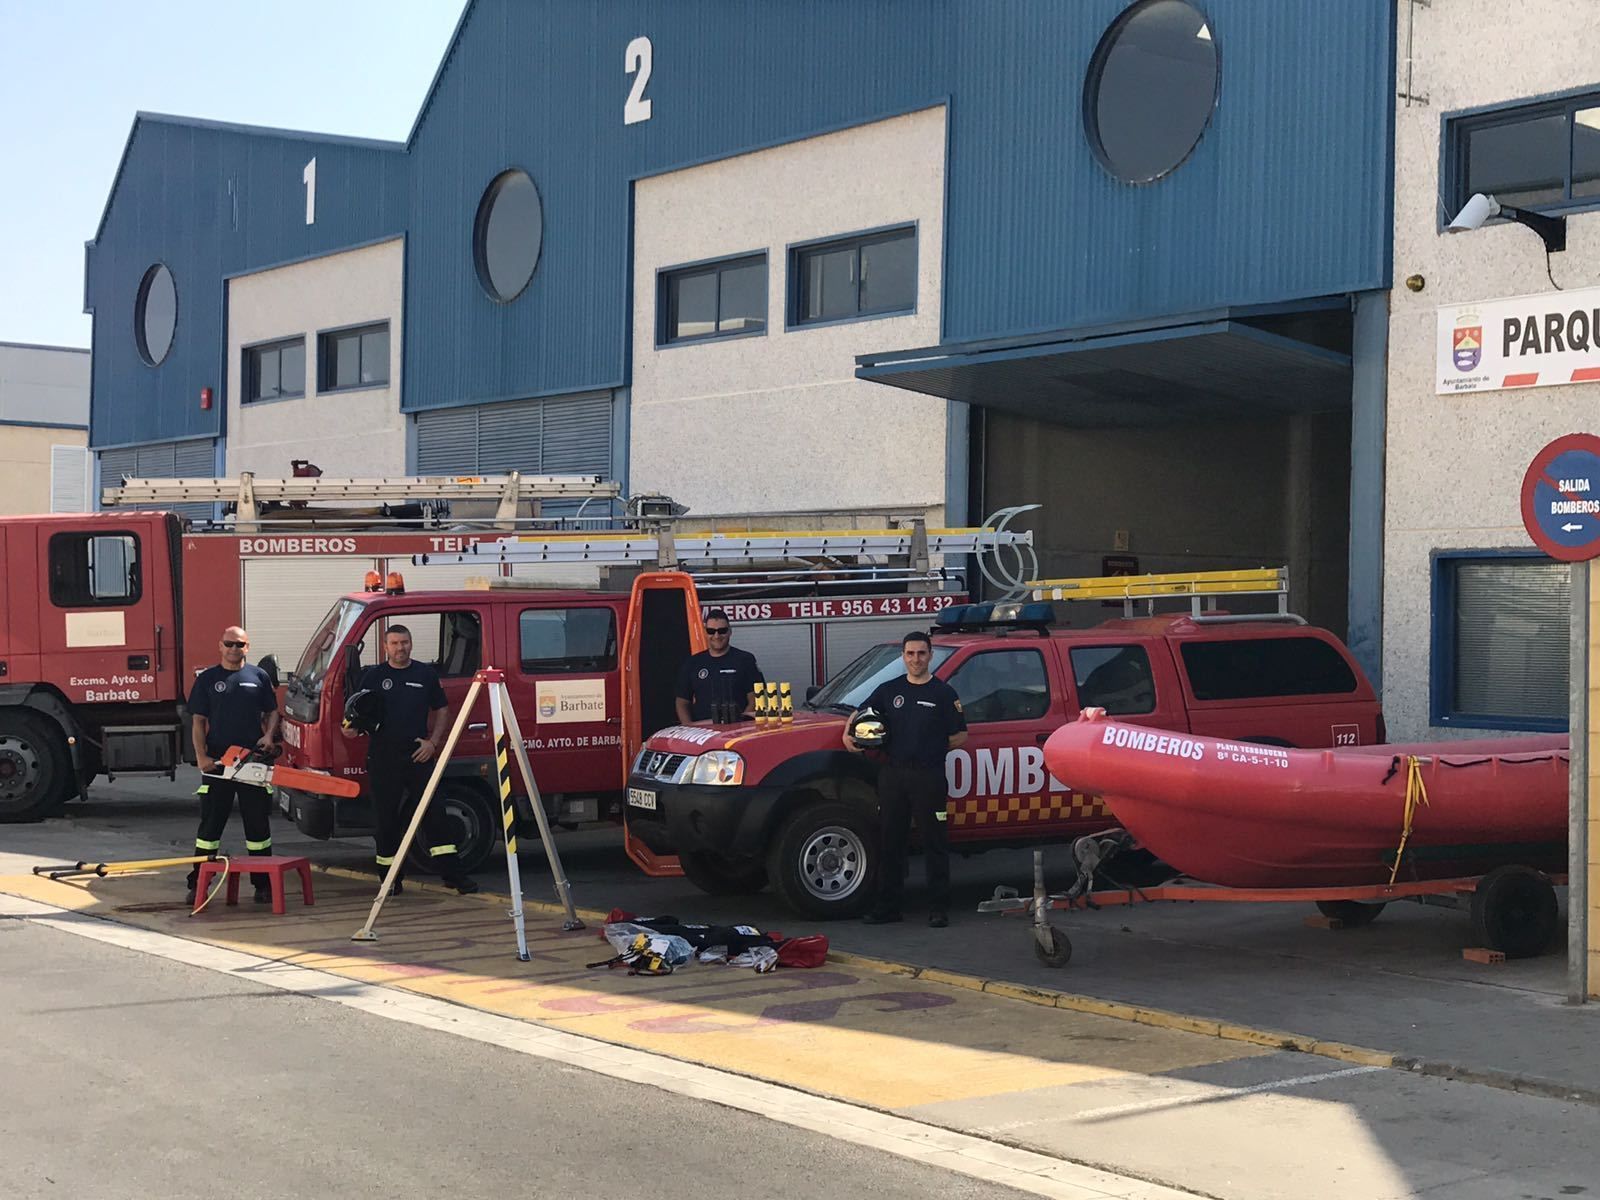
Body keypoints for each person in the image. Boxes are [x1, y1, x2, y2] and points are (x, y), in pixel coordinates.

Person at [341, 624, 478, 895]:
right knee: (385, 822)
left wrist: (433, 744)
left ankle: (453, 876)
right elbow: (354, 714)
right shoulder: (373, 676)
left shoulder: (424, 674)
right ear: (385, 647)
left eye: (404, 642)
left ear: (411, 644)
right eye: (394, 643)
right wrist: (349, 728)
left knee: (435, 815)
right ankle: (390, 881)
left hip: (418, 755)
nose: (400, 648)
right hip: (383, 757)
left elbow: (442, 709)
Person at [844, 629, 967, 927]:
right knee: (890, 842)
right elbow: (861, 713)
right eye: (910, 654)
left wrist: (934, 747)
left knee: (934, 842)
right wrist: (849, 736)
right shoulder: (889, 691)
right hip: (894, 776)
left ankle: (938, 908)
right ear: (903, 656)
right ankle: (888, 907)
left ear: (930, 656)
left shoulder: (943, 693)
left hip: (929, 778)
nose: (916, 659)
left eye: (921, 653)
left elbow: (960, 734)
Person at [185, 626, 280, 904]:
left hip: (252, 762)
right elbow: (198, 722)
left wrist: (268, 736)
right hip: (218, 764)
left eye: (239, 645)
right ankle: (197, 882)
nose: (234, 649)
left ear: (247, 648)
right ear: (220, 646)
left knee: (258, 828)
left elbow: (272, 711)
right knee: (210, 828)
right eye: (229, 644)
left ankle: (262, 885)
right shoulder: (208, 680)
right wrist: (201, 757)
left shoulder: (258, 677)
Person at [675, 609, 764, 723]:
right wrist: (688, 727)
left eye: (722, 630)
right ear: (705, 632)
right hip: (704, 732)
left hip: (736, 730)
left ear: (730, 631)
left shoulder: (745, 660)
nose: (716, 636)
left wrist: (743, 723)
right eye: (711, 631)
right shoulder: (692, 663)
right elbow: (682, 701)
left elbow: (756, 698)